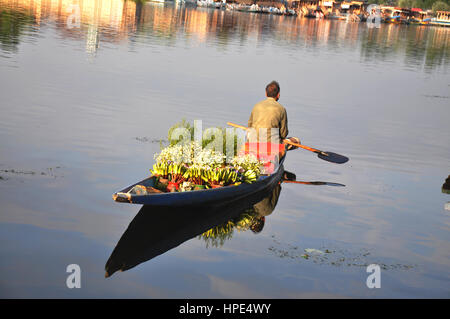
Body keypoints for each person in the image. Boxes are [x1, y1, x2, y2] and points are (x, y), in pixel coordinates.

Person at [247, 80, 299, 149]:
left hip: (253, 142)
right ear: (278, 95)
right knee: (296, 141)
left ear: (266, 93)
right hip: (271, 145)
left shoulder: (257, 106)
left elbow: (250, 126)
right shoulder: (281, 109)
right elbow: (283, 134)